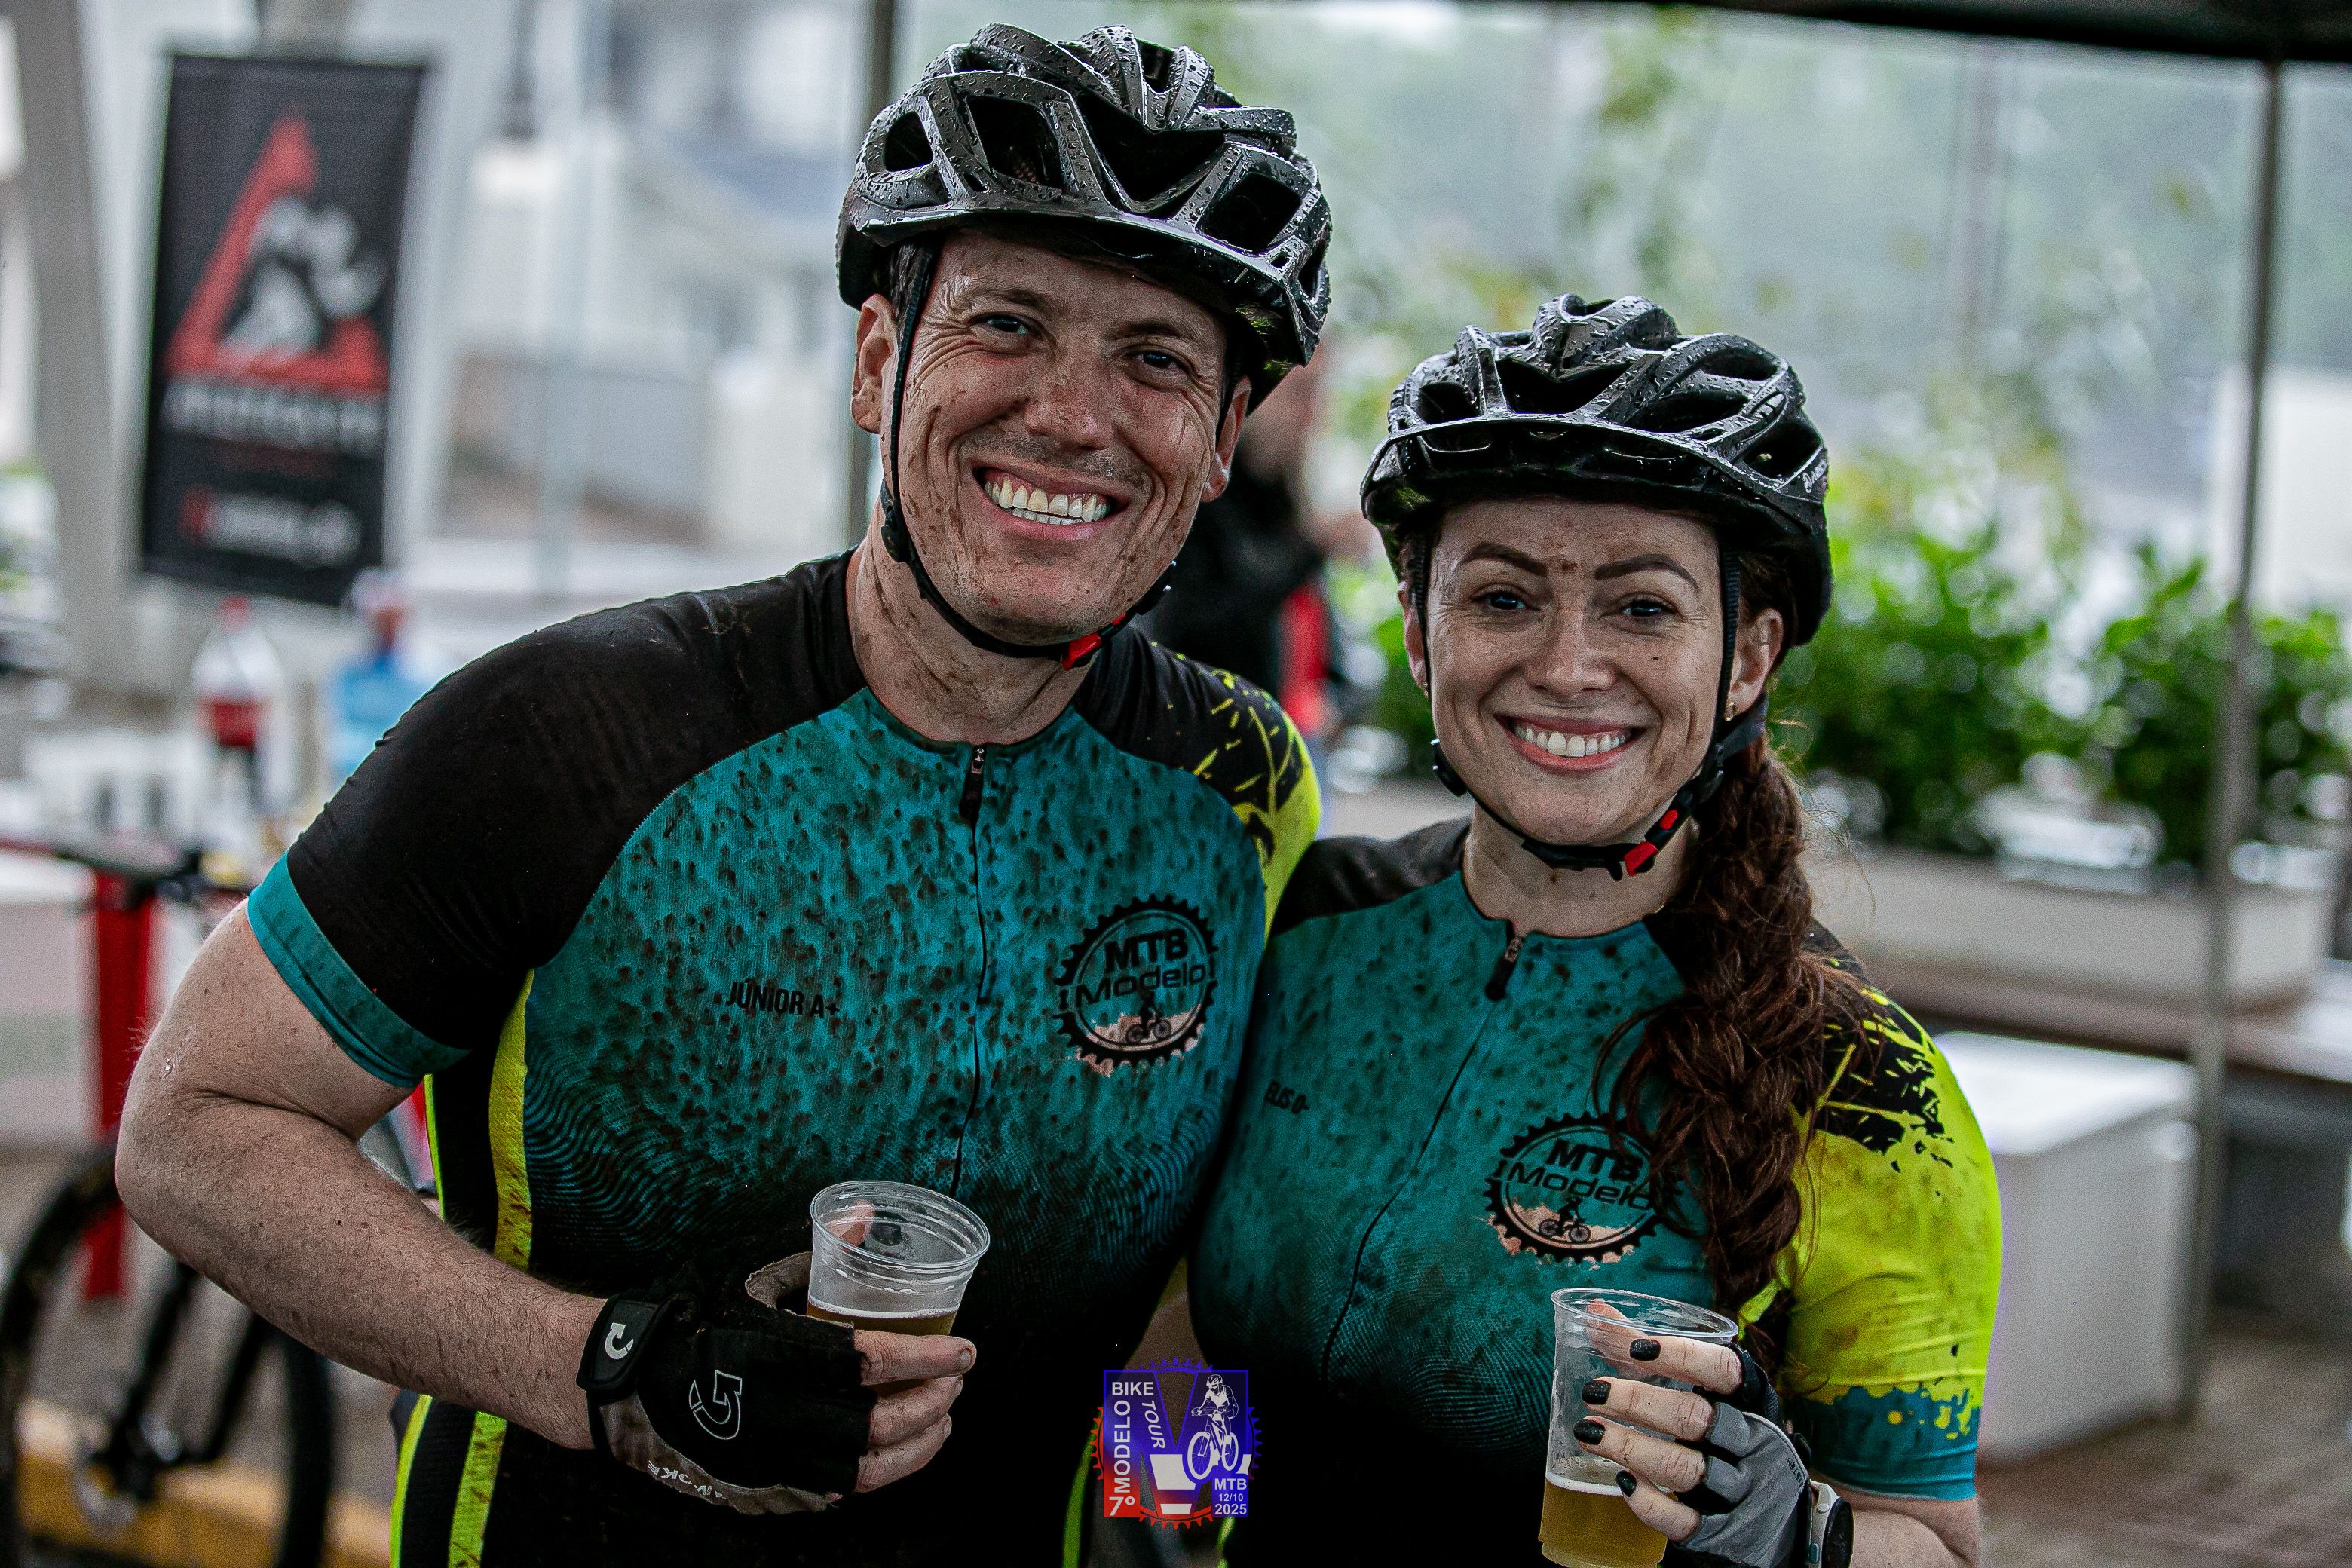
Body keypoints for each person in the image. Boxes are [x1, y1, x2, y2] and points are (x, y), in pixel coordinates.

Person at [116, 24, 1328, 1566]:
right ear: (880, 363)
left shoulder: (1241, 787)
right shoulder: (570, 731)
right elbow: (195, 1122)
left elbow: (1176, 1286)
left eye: (1156, 359)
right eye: (1009, 323)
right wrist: (608, 1369)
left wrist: (1187, 1527)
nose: (1075, 417)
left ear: (1221, 438)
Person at [1190, 295, 1998, 1567]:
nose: (1569, 665)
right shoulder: (1315, 926)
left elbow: (1942, 1544)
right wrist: (1159, 1523)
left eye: (1643, 609)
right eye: (1504, 597)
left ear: (1747, 659)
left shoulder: (1864, 1085)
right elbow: (1191, 1331)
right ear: (1420, 631)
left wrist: (1802, 1532)